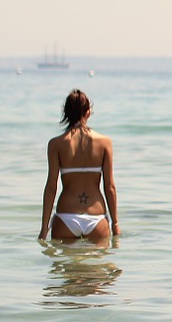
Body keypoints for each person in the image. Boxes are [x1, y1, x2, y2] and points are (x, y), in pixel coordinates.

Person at [39, 90, 118, 245]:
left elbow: (51, 188)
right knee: (97, 268)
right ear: (88, 112)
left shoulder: (56, 144)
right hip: (97, 218)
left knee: (67, 267)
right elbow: (110, 187)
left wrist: (44, 228)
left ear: (66, 112)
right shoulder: (104, 143)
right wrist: (115, 224)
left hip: (65, 217)